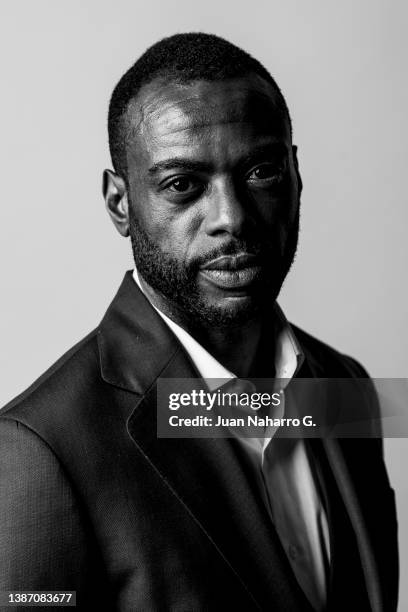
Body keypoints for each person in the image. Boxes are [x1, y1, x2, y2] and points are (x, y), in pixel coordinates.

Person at [0, 33, 398, 611]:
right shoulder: (39, 452)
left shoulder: (346, 386)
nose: (231, 218)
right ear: (119, 203)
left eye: (261, 171)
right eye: (182, 185)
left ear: (296, 175)